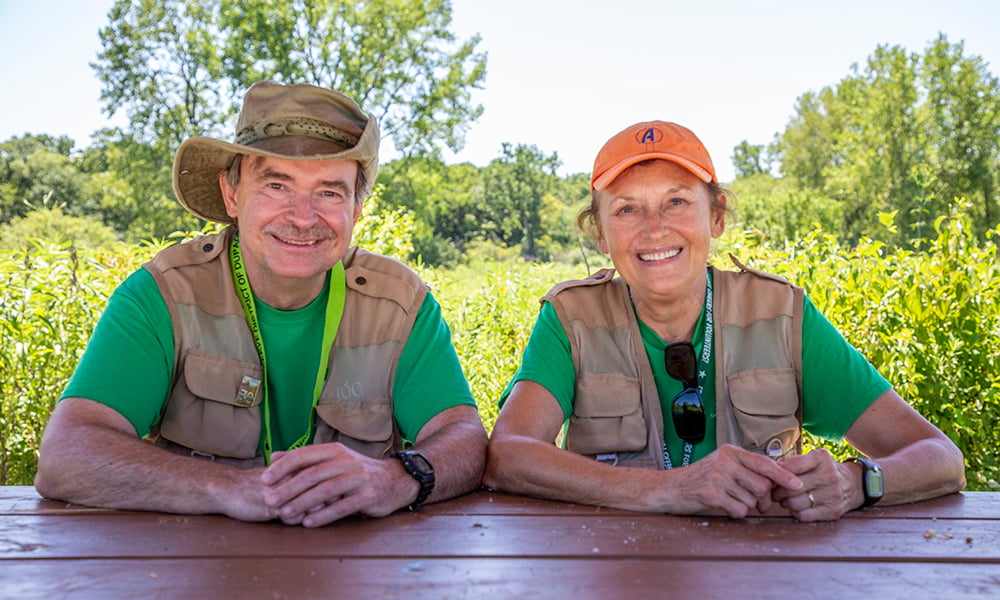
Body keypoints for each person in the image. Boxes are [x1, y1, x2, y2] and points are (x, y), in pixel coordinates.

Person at [35, 81, 487, 527]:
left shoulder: (402, 304)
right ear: (232, 195)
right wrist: (231, 487)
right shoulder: (162, 294)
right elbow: (67, 453)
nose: (303, 217)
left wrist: (393, 479)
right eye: (277, 184)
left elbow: (465, 438)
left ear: (357, 208)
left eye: (330, 192)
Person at [483, 120, 965, 521]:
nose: (655, 229)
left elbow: (941, 459)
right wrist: (665, 489)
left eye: (677, 201)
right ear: (601, 235)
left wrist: (857, 482)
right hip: (615, 574)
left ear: (716, 217)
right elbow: (508, 455)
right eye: (628, 209)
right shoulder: (571, 319)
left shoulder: (781, 315)